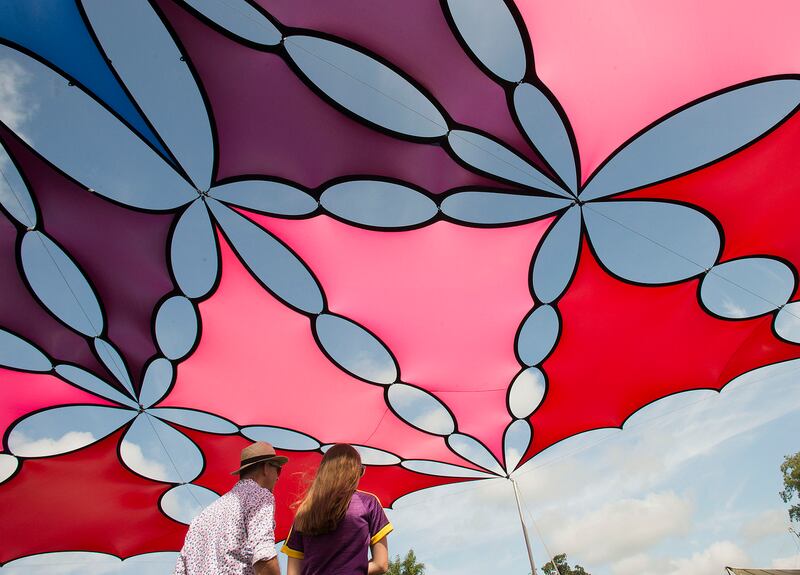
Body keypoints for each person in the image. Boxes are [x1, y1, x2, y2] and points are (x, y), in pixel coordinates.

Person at [173, 441, 287, 575]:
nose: (278, 477)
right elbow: (264, 556)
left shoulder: (201, 517)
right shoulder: (260, 496)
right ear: (266, 468)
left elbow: (180, 570)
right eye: (278, 469)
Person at [281, 444, 392, 575]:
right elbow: (381, 564)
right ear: (354, 472)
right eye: (360, 470)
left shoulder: (304, 511)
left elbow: (293, 573)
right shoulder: (368, 503)